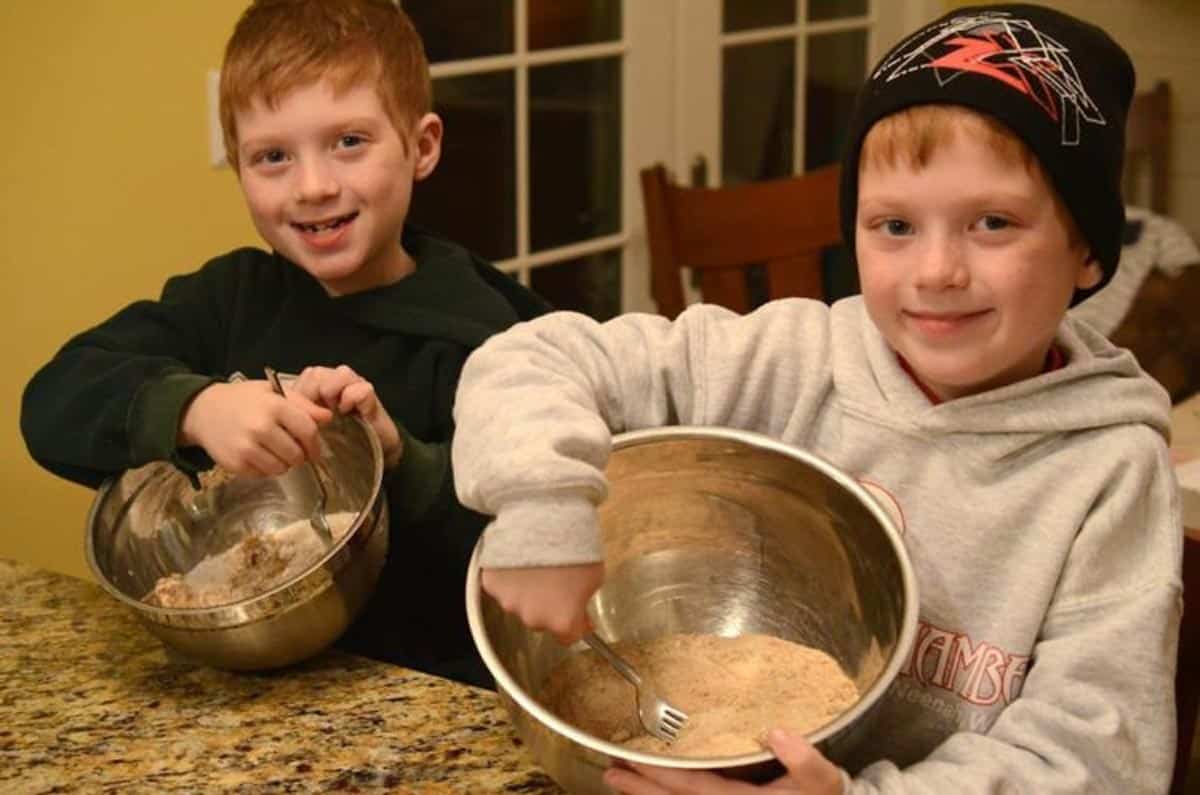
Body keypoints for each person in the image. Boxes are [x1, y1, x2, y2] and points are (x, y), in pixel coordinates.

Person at [449, 4, 1182, 792]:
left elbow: (1098, 761)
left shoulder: (1109, 468)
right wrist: (541, 497)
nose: (935, 269)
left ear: (1086, 254)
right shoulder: (790, 358)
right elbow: (534, 355)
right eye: (894, 225)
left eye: (993, 222)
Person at [20, 0, 549, 687]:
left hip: (430, 693)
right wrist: (198, 408)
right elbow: (53, 402)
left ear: (421, 147)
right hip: (245, 688)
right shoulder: (227, 298)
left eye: (349, 141)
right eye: (272, 156)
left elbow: (535, 547)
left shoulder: (490, 335)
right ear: (237, 168)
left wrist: (402, 461)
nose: (313, 186)